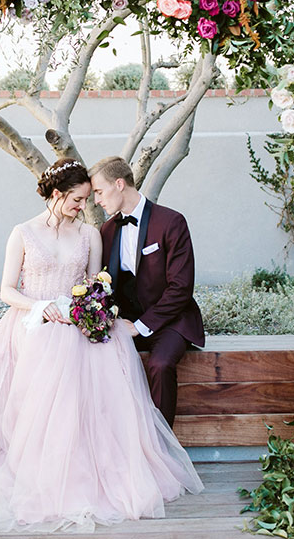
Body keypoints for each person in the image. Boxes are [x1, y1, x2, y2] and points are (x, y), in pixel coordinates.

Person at [0, 159, 202, 533]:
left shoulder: (91, 234)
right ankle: (33, 469)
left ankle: (117, 463)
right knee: (39, 369)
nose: (84, 207)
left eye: (89, 198)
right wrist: (39, 307)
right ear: (56, 194)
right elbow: (5, 290)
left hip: (77, 322)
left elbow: (99, 285)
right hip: (32, 319)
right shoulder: (22, 232)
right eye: (78, 199)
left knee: (100, 362)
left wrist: (90, 314)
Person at [89, 156, 205, 427]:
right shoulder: (107, 230)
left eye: (99, 192)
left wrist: (141, 326)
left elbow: (181, 287)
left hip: (171, 321)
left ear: (119, 184)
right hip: (127, 321)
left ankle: (161, 446)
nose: (97, 200)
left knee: (160, 365)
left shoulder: (171, 222)